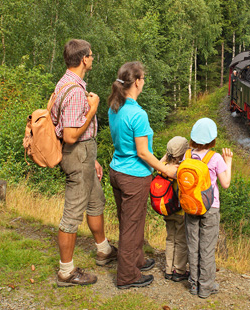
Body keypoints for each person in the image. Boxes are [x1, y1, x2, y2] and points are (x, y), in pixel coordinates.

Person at [51, 39, 116, 287]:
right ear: (83, 59)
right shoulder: (77, 92)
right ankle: (66, 272)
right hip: (77, 154)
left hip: (85, 154)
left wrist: (93, 158)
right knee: (72, 214)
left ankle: (104, 250)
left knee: (96, 200)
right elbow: (69, 135)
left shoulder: (65, 82)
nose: (92, 57)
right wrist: (93, 109)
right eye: (90, 54)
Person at [107, 62, 176, 290]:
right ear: (136, 81)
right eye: (143, 78)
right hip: (133, 177)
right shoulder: (138, 114)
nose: (144, 82)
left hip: (117, 171)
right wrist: (165, 169)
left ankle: (136, 261)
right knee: (131, 226)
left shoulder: (114, 107)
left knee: (131, 222)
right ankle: (127, 276)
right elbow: (143, 152)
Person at [185, 118, 233, 299]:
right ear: (213, 139)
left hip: (191, 207)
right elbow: (226, 183)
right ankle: (206, 287)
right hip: (210, 208)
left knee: (193, 245)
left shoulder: (187, 155)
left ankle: (194, 284)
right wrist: (228, 162)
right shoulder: (215, 158)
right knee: (206, 248)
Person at [162, 136, 189, 282]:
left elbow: (158, 164)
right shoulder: (181, 169)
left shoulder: (164, 166)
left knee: (170, 238)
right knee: (181, 240)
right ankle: (179, 270)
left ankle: (168, 269)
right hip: (180, 211)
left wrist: (167, 155)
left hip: (167, 210)